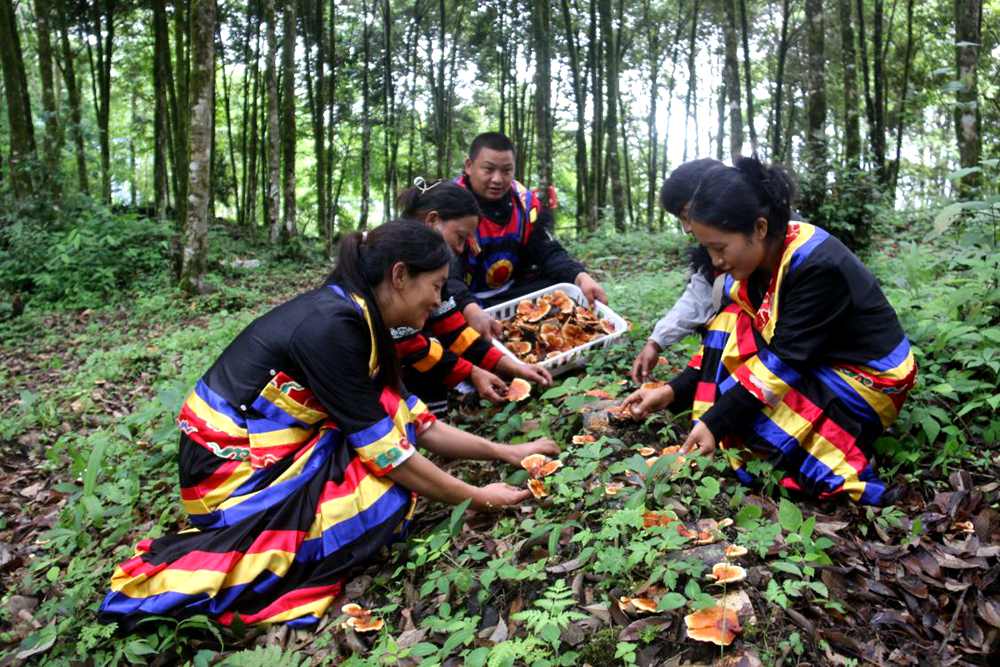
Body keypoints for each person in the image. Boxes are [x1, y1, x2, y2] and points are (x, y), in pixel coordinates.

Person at [99, 220, 558, 629]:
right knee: (387, 497)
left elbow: (416, 421)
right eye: (436, 286)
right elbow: (392, 456)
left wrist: (508, 453)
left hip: (268, 447)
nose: (439, 301)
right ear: (399, 276)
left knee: (391, 418)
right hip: (226, 476)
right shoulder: (335, 326)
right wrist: (480, 499)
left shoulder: (354, 313)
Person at [622, 157, 916, 505]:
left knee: (756, 438)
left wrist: (717, 421)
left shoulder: (816, 265)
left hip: (865, 378)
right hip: (812, 358)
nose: (715, 261)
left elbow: (784, 361)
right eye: (707, 249)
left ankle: (846, 466)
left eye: (719, 248)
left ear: (759, 228)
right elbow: (732, 339)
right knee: (729, 319)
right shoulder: (757, 262)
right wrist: (672, 391)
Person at [394, 179, 552, 413]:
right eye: (460, 237)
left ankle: (431, 422)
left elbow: (455, 330)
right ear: (433, 221)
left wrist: (513, 366)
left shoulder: (428, 264)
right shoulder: (398, 265)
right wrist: (471, 372)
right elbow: (412, 345)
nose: (461, 249)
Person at [451, 131, 607, 340]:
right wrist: (468, 307)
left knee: (562, 290)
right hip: (463, 300)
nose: (497, 179)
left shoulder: (525, 204)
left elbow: (547, 251)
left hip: (513, 293)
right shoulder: (447, 205)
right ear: (469, 166)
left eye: (506, 171)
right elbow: (442, 274)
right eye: (488, 169)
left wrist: (581, 276)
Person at [631, 158, 723, 384]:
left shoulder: (797, 253)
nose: (687, 228)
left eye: (688, 215)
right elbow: (701, 294)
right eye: (682, 219)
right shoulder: (711, 252)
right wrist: (656, 340)